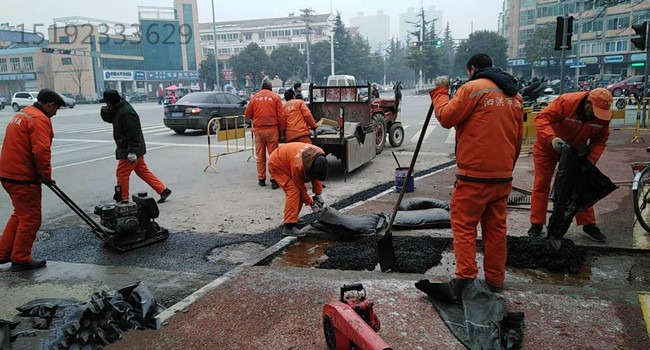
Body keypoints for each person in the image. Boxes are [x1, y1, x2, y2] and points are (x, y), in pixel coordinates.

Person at [429, 53, 524, 292]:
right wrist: (506, 169)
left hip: (473, 175)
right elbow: (518, 138)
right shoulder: (514, 96)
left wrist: (440, 92)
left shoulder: (473, 89)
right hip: (502, 176)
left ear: (472, 69)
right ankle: (495, 280)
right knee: (496, 230)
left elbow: (447, 117)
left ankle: (466, 280)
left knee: (464, 225)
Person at [528, 88, 613, 242]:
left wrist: (590, 161)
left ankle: (589, 225)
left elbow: (600, 141)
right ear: (588, 102)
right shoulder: (566, 102)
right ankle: (537, 224)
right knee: (541, 184)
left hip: (574, 151)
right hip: (547, 147)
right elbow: (541, 119)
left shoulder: (603, 117)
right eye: (595, 110)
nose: (596, 115)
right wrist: (552, 139)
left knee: (580, 185)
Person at [0, 89, 66, 272]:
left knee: (20, 215)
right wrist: (46, 176)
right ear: (49, 105)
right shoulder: (39, 120)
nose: (56, 113)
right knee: (30, 219)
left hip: (8, 173)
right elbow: (41, 151)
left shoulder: (25, 113)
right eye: (56, 108)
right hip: (22, 176)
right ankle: (21, 258)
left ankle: (3, 253)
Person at [100, 90, 172, 204]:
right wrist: (104, 112)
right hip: (132, 148)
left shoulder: (126, 112)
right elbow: (111, 119)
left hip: (129, 149)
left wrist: (132, 151)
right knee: (142, 171)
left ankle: (123, 198)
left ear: (111, 101)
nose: (106, 104)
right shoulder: (119, 109)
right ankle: (163, 190)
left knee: (122, 173)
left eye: (107, 102)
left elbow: (134, 132)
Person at [268, 142, 329, 236]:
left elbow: (316, 178)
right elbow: (301, 188)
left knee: (297, 191)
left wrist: (318, 194)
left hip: (287, 159)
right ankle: (289, 226)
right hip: (277, 164)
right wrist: (311, 203)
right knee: (294, 191)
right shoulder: (298, 165)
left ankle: (294, 217)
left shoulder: (319, 154)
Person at [245, 79, 286, 189]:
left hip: (258, 130)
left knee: (260, 156)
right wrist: (282, 131)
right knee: (273, 155)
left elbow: (248, 114)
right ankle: (274, 179)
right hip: (272, 130)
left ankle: (261, 179)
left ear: (261, 87)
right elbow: (281, 116)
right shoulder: (275, 97)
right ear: (271, 87)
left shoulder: (254, 97)